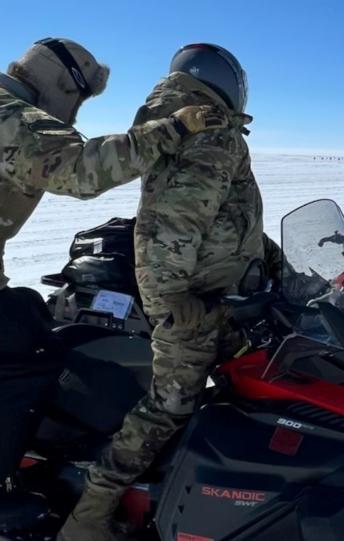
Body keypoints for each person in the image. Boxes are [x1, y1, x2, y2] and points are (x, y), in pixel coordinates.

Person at [0, 37, 228, 533]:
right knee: (25, 351)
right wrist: (170, 130)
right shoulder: (11, 113)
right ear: (64, 85)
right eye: (79, 100)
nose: (75, 114)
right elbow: (78, 172)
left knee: (26, 314)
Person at [59, 43, 265, 541]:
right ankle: (88, 515)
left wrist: (275, 262)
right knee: (169, 405)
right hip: (194, 306)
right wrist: (174, 309)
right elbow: (168, 228)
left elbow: (232, 217)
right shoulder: (207, 134)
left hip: (222, 297)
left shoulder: (202, 129)